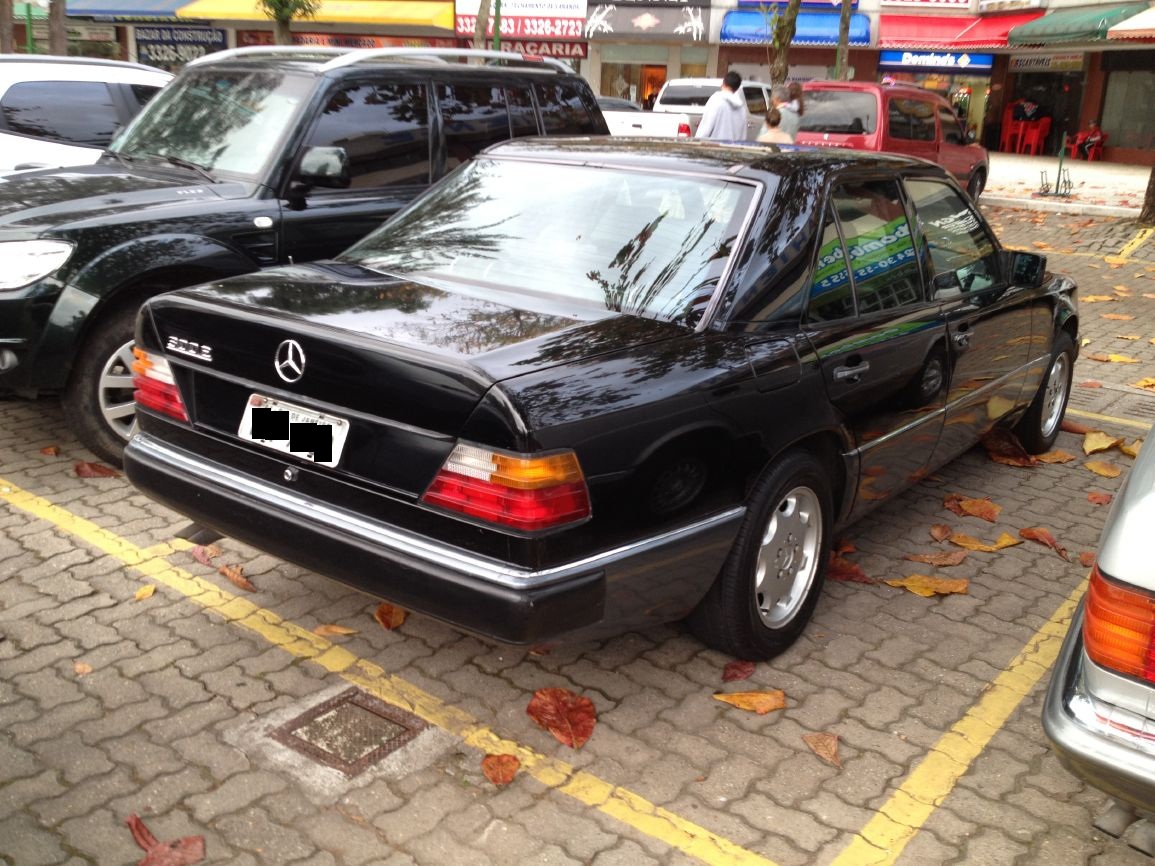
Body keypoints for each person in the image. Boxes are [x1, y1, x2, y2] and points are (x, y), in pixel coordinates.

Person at [695, 71, 747, 141]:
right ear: (737, 88)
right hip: (734, 149)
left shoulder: (716, 100)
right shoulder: (741, 107)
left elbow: (706, 127)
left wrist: (697, 141)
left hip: (715, 148)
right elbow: (743, 134)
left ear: (723, 83)